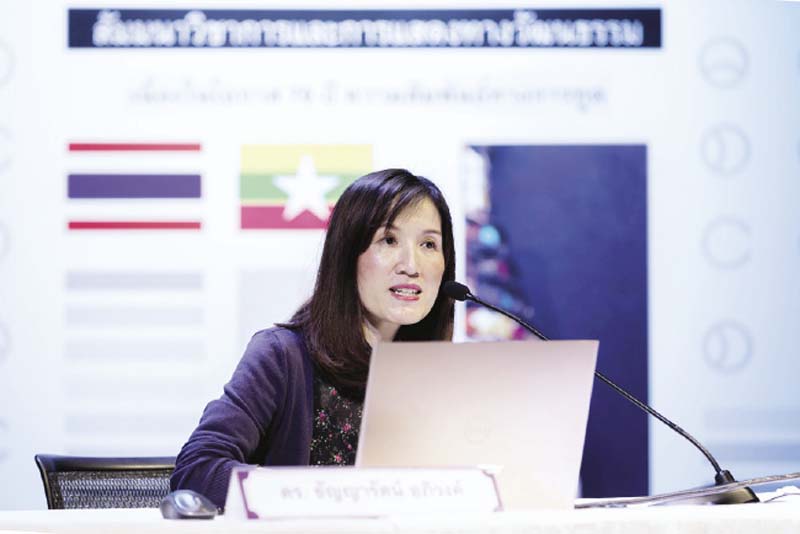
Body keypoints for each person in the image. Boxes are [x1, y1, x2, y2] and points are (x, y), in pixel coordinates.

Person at [170, 168, 456, 507]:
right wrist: (308, 493)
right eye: (389, 240)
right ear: (346, 254)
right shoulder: (282, 356)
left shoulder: (442, 377)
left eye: (428, 244)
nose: (411, 265)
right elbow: (197, 470)